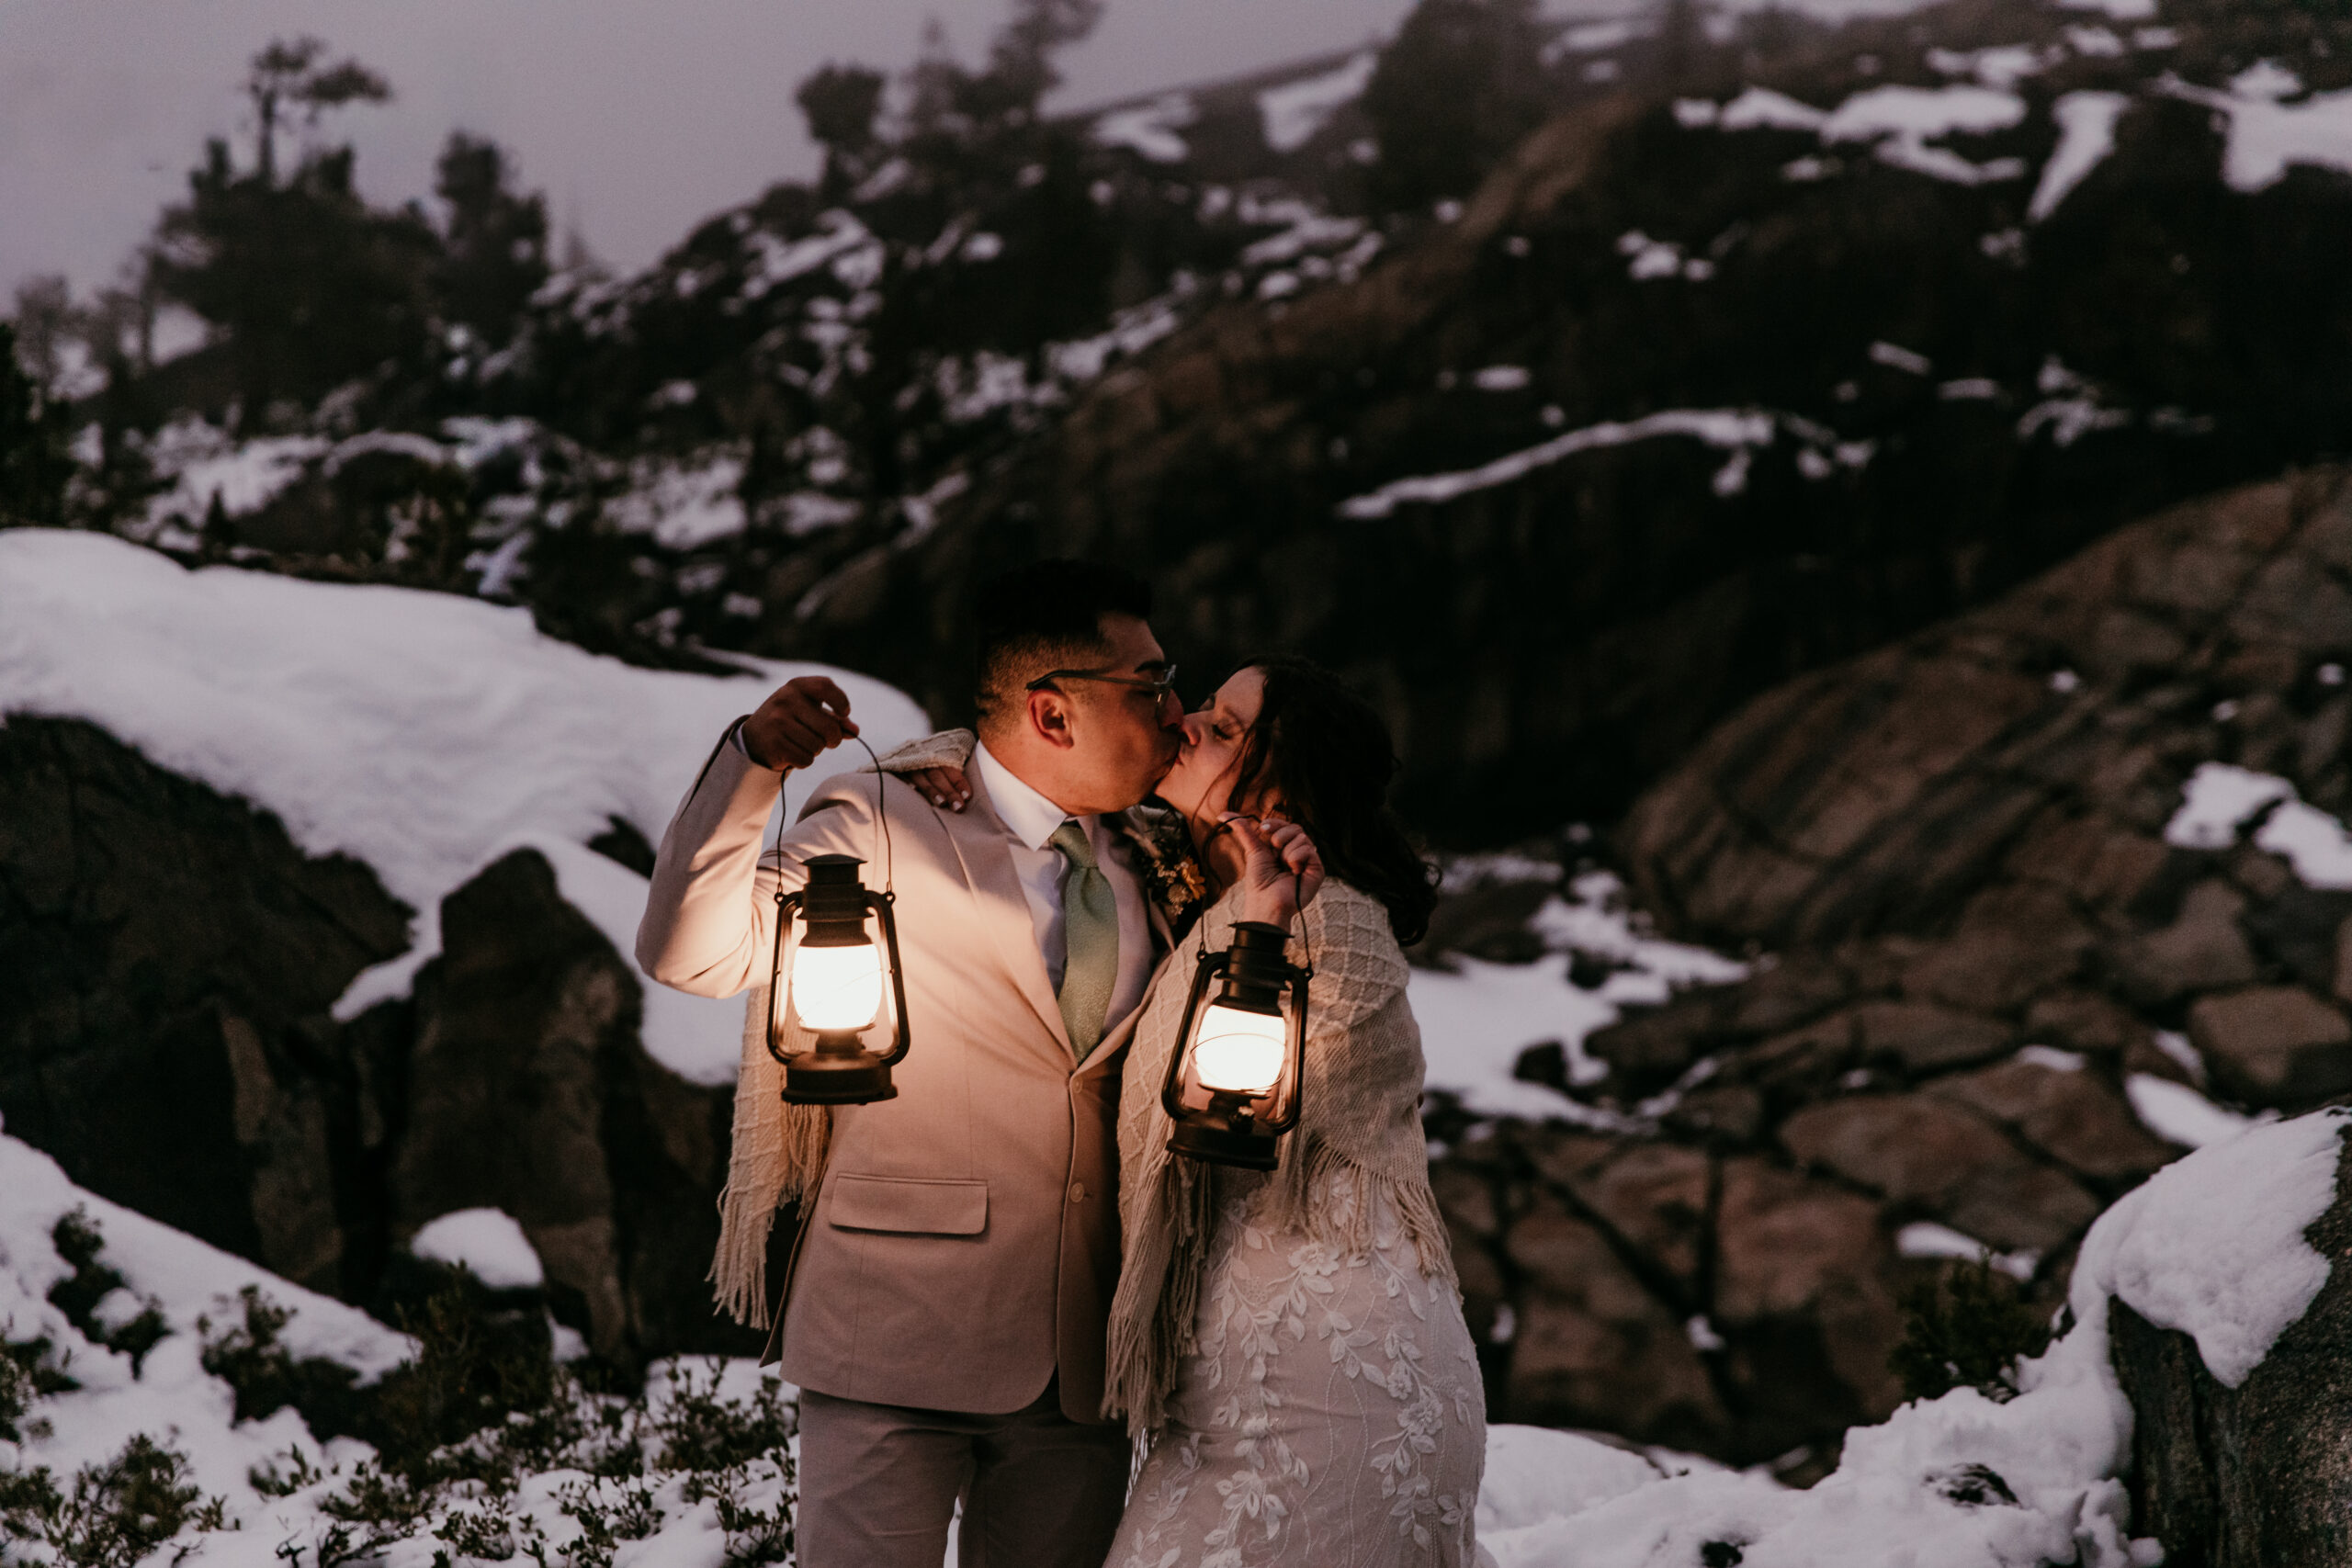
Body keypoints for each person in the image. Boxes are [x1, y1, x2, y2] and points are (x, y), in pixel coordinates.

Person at [632, 561, 1319, 1568]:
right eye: (1149, 682)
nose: (1176, 711)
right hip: (890, 1331)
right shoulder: (881, 816)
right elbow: (691, 954)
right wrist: (751, 764)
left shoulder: (1159, 856)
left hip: (1081, 1356)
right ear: (1052, 712)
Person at [899, 656, 1487, 1567]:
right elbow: (1040, 789)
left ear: (1282, 777)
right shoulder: (1210, 896)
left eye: (1223, 727)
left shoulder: (1329, 924)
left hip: (1327, 1379)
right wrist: (952, 761)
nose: (1185, 726)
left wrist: (1259, 930)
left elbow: (1222, 1122)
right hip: (1232, 1379)